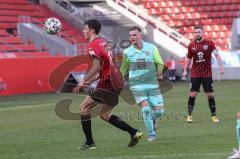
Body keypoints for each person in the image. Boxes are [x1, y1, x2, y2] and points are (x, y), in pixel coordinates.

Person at [73, 19, 143, 150]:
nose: (83, 31)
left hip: (108, 81)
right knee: (105, 115)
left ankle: (89, 143)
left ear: (92, 30)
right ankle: (134, 133)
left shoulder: (93, 44)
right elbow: (105, 67)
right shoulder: (103, 43)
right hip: (116, 80)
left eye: (85, 29)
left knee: (84, 107)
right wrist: (90, 81)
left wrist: (83, 81)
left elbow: (97, 66)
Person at [120, 26, 165, 141]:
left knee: (159, 112)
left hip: (152, 84)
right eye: (130, 35)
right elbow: (124, 67)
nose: (132, 37)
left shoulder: (151, 48)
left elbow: (159, 62)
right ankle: (151, 134)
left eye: (134, 35)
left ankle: (154, 119)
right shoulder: (127, 52)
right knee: (145, 109)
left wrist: (159, 71)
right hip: (136, 84)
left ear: (141, 35)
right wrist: (119, 78)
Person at [182, 25, 224, 123]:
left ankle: (213, 116)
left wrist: (221, 66)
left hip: (207, 74)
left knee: (210, 95)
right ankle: (189, 115)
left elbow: (217, 55)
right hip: (195, 74)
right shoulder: (191, 45)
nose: (197, 34)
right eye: (195, 32)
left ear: (203, 32)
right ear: (194, 34)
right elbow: (188, 58)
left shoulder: (210, 43)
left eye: (199, 32)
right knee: (193, 94)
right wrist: (185, 70)